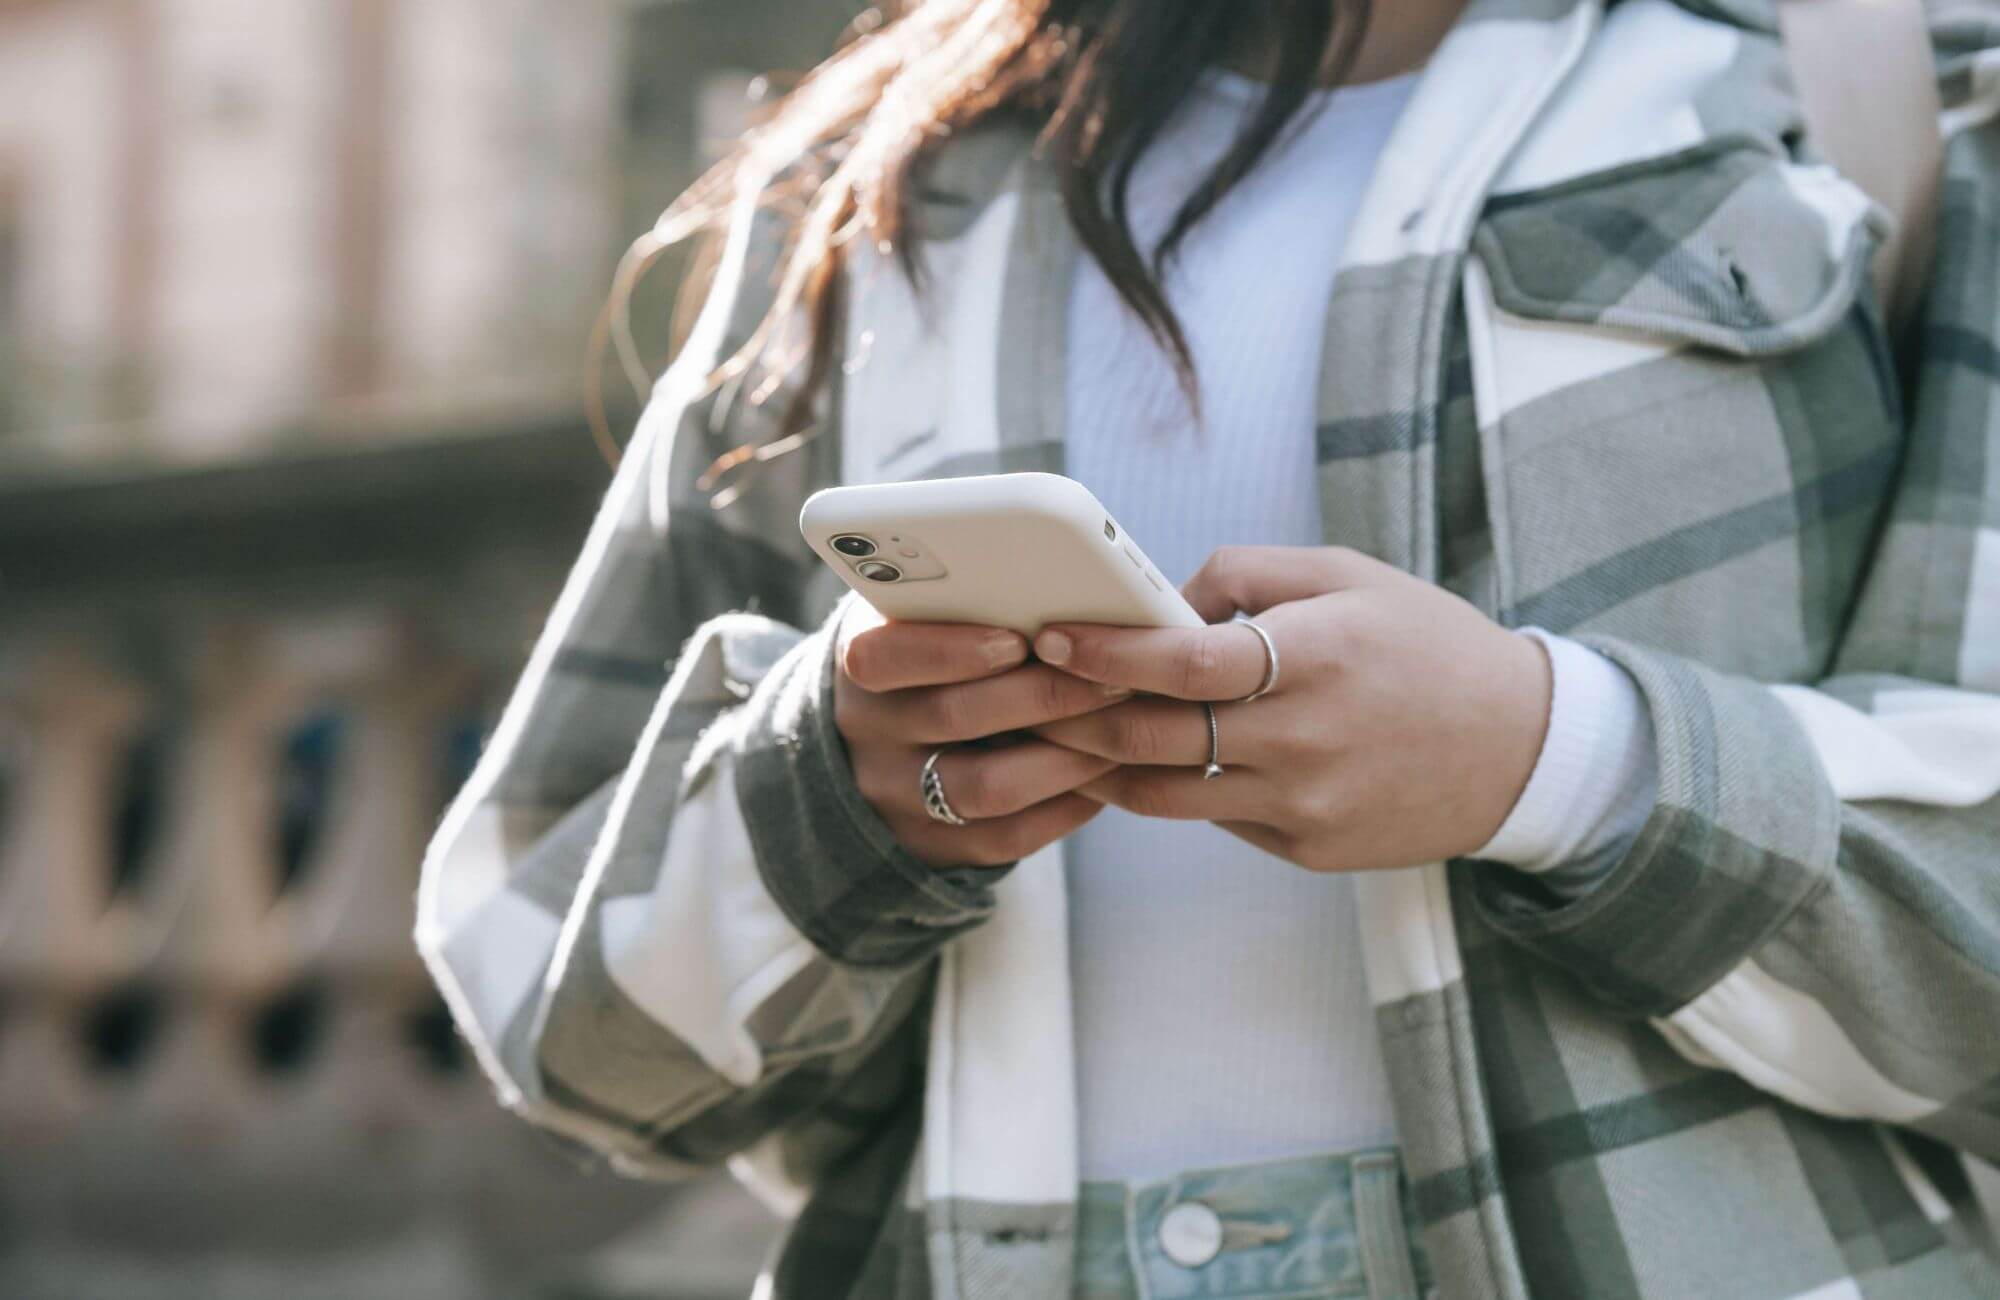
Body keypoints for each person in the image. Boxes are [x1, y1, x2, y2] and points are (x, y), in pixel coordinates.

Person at [415, 0, 2000, 1295]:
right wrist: (838, 800)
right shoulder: (880, 184)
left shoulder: (1897, 88)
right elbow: (567, 1036)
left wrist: (1557, 762)